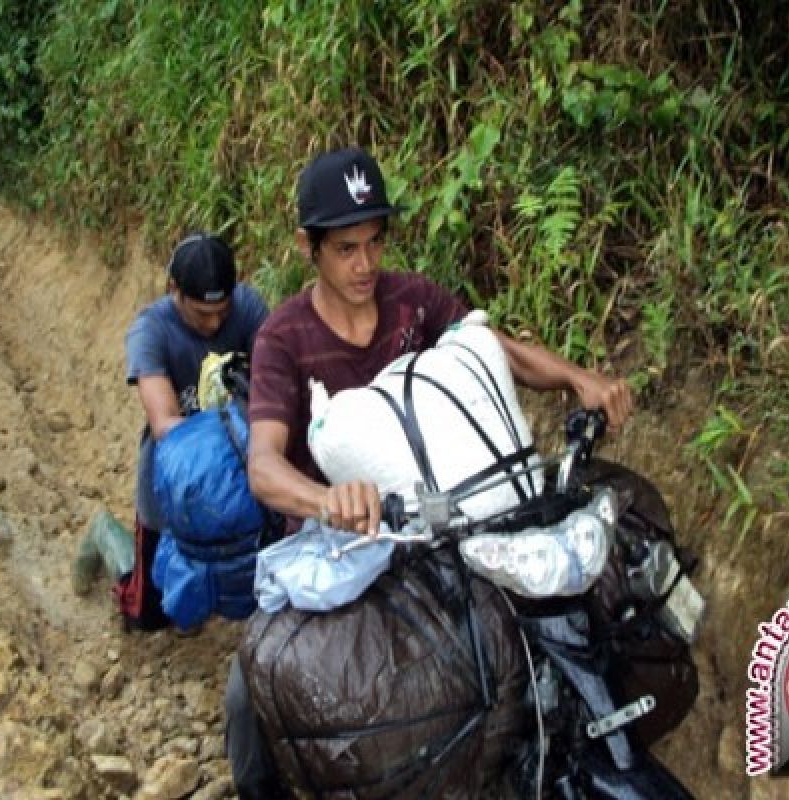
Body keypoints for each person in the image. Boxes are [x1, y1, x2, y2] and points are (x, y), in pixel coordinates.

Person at [224, 146, 634, 797]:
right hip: (346, 544)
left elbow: (495, 350)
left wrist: (577, 379)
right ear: (309, 246)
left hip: (446, 524)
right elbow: (265, 466)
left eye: (375, 243)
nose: (366, 265)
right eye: (346, 250)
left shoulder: (413, 301)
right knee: (253, 693)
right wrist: (328, 500)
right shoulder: (284, 339)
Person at [118, 233, 269, 631]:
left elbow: (276, 377)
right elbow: (166, 423)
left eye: (223, 310)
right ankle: (104, 541)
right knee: (150, 614)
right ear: (174, 291)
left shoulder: (249, 307)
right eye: (203, 313)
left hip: (236, 479)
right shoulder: (150, 331)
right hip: (173, 485)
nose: (216, 322)